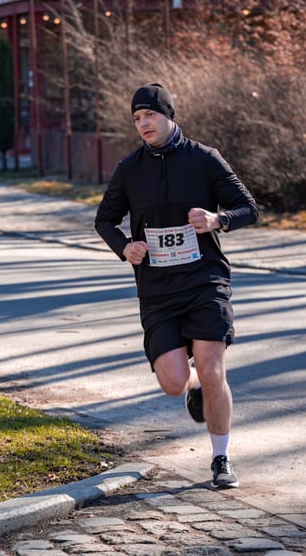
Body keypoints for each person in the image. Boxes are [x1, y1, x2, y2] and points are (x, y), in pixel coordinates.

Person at [95, 83, 258, 489]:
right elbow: (104, 220)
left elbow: (250, 208)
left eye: (149, 115)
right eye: (136, 118)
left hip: (206, 281)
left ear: (168, 115)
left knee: (212, 366)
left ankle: (221, 459)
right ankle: (193, 385)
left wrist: (218, 219)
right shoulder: (129, 169)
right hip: (158, 289)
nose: (143, 123)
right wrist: (125, 247)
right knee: (171, 382)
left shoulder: (204, 159)